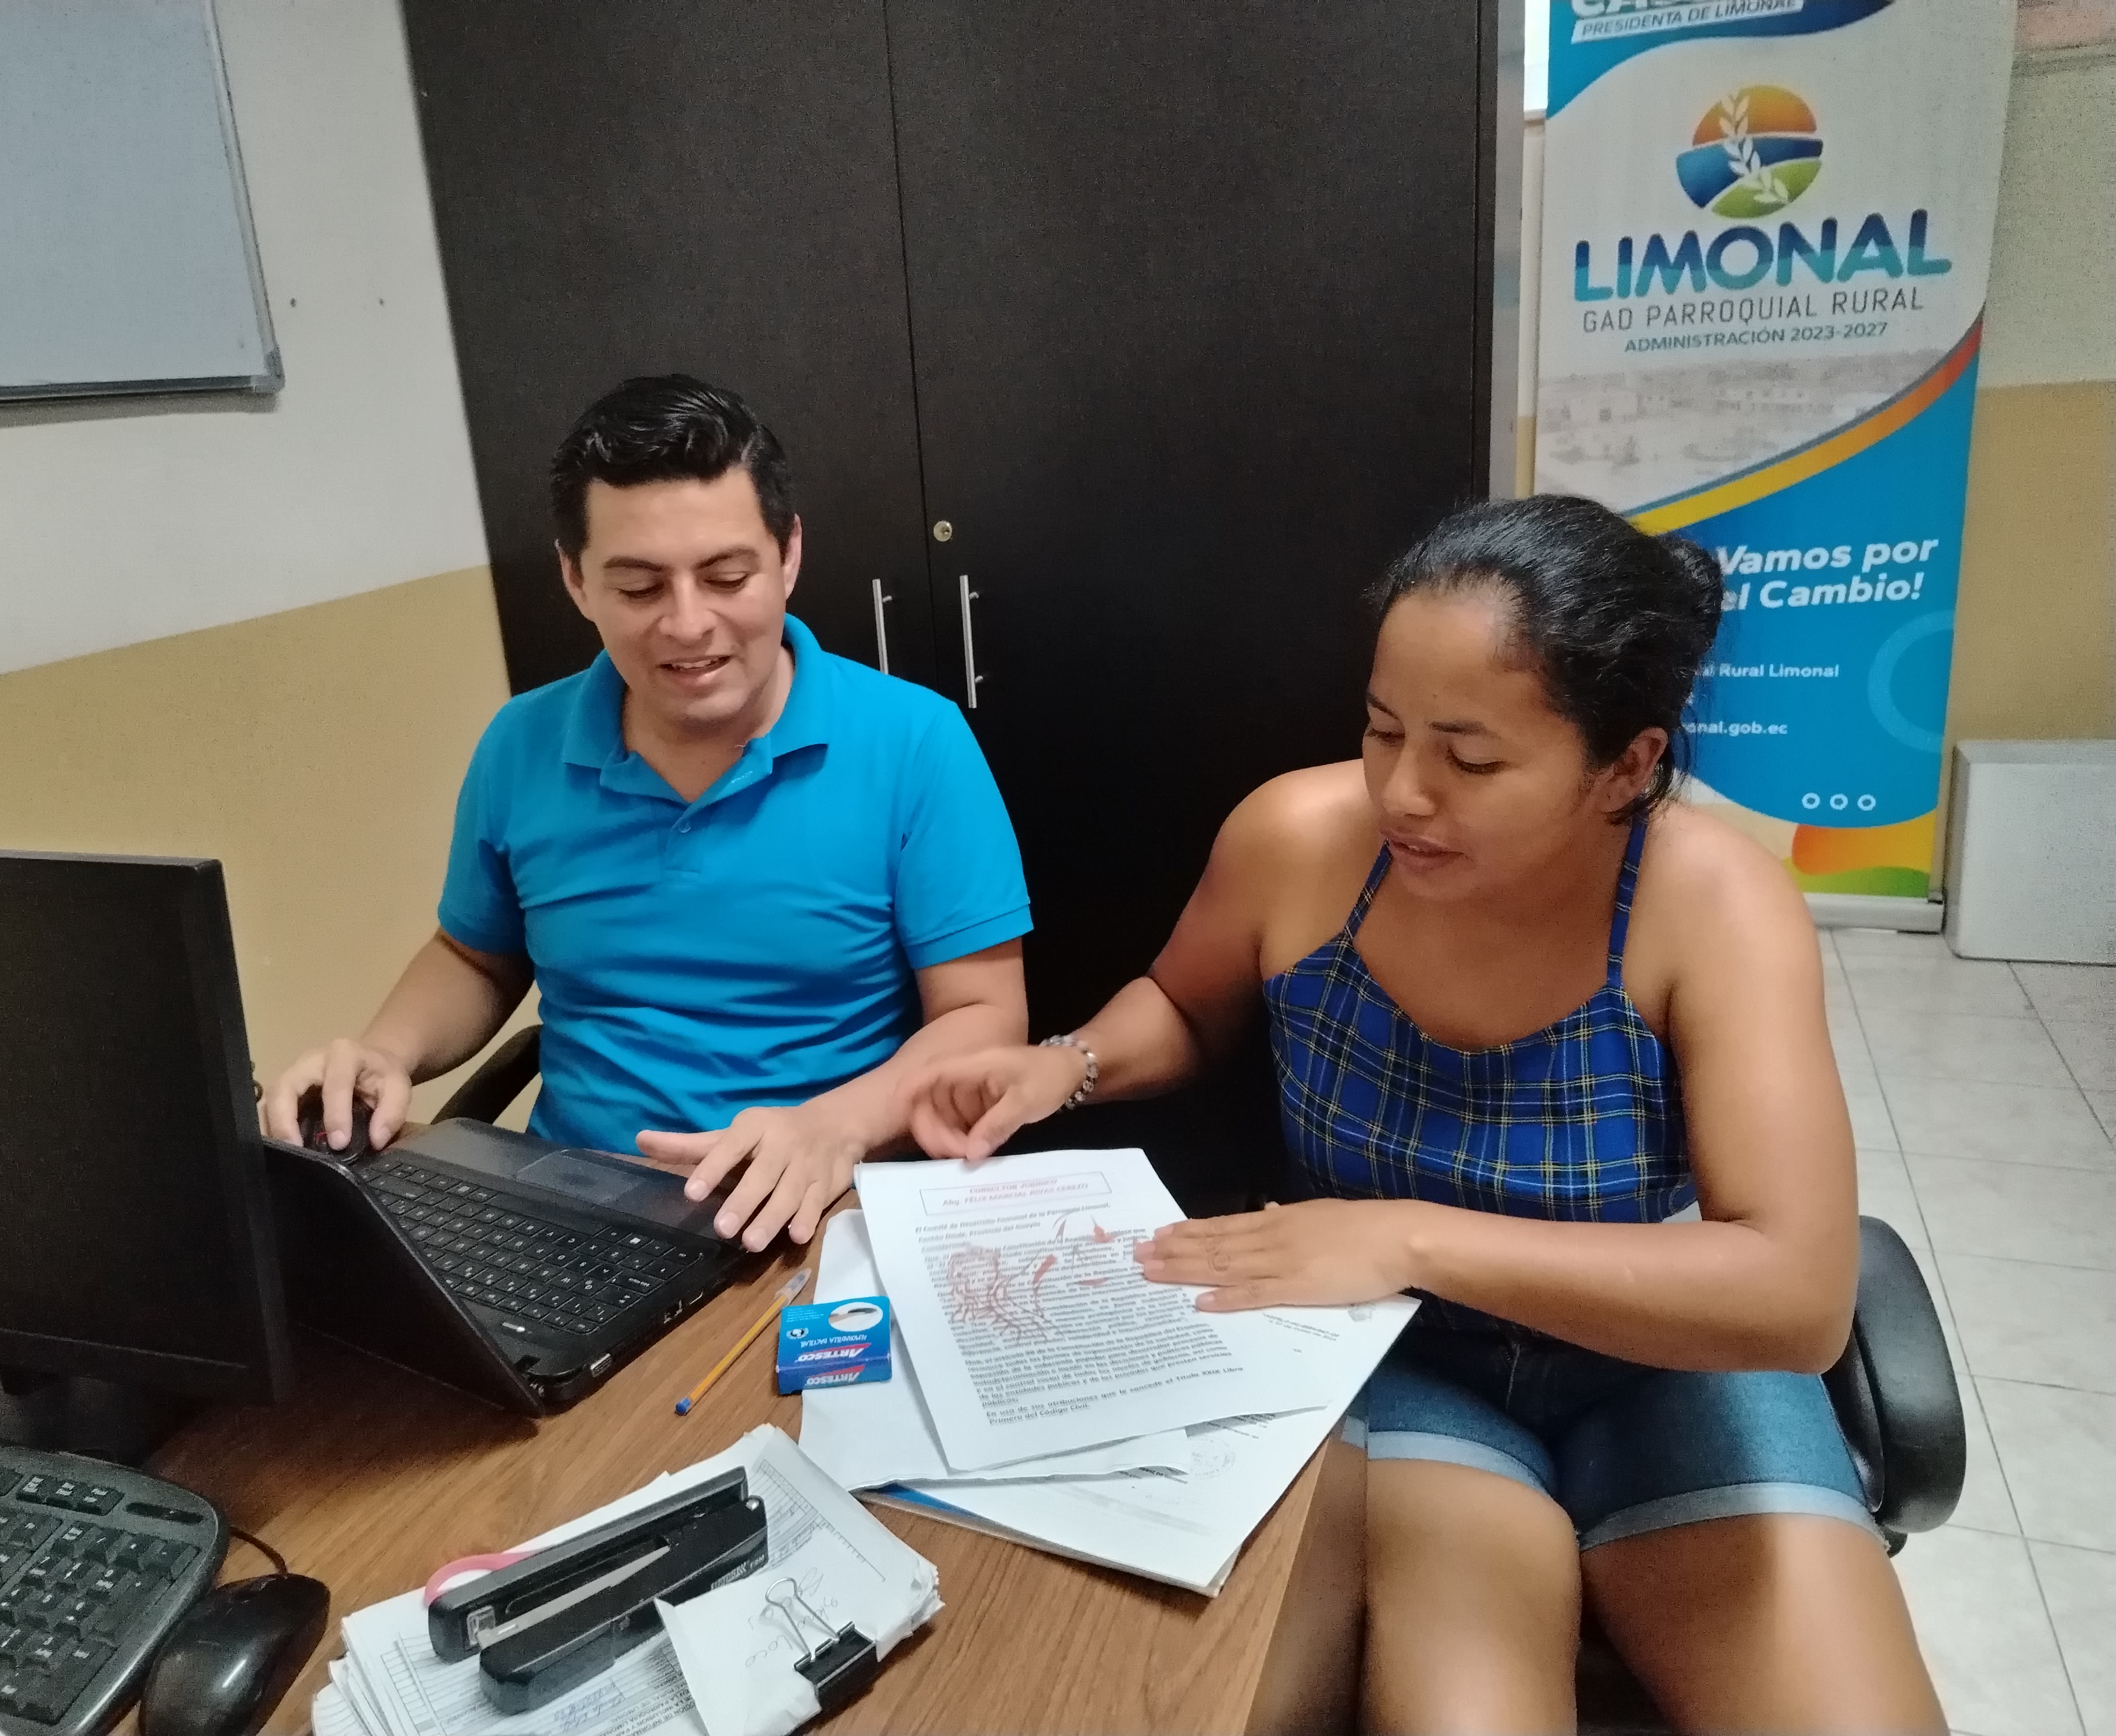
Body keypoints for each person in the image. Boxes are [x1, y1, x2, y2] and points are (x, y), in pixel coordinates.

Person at [905, 495, 1943, 1734]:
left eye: (1471, 759)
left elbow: (1796, 1293)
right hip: (1398, 1354)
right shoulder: (1296, 839)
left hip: (1660, 1361)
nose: (1402, 793)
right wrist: (1066, 1064)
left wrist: (1405, 1235)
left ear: (1627, 766)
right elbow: (1183, 1005)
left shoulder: (1715, 905)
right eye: (1382, 729)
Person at [265, 374, 1031, 1250]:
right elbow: (475, 955)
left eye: (727, 576)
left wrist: (836, 1127)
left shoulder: (914, 742)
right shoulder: (521, 744)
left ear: (788, 555)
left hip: (819, 1207)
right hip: (571, 1207)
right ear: (575, 579)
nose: (688, 624)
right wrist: (385, 1052)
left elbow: (984, 1015)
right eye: (638, 588)